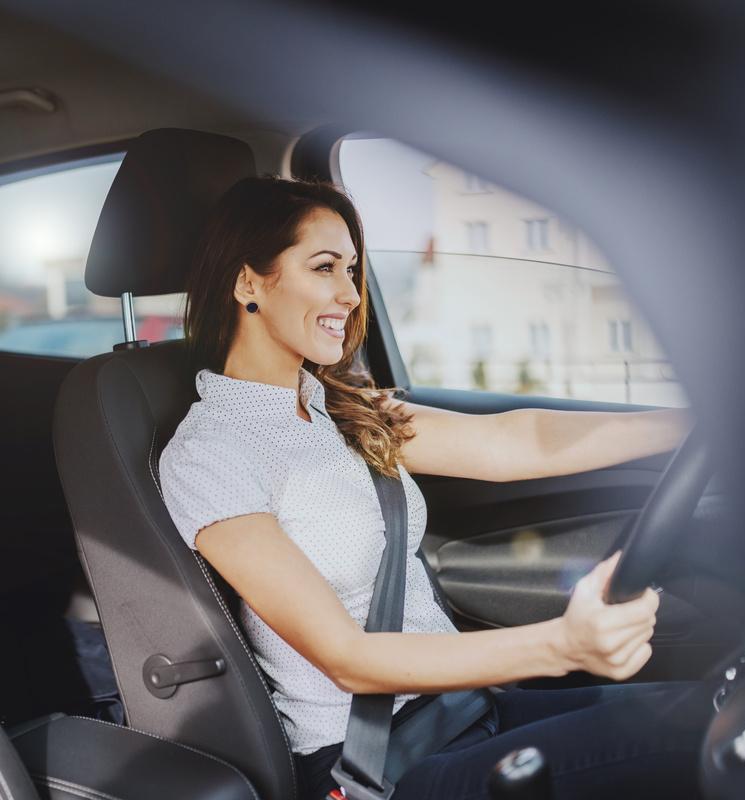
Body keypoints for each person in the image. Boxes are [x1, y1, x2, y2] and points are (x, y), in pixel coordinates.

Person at [158, 174, 715, 800]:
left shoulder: (340, 408)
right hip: (375, 763)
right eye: (324, 268)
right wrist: (563, 643)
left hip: (465, 712)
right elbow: (345, 656)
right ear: (247, 283)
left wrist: (705, 420)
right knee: (713, 743)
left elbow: (515, 443)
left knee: (723, 709)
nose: (349, 292)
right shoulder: (208, 454)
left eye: (352, 269)